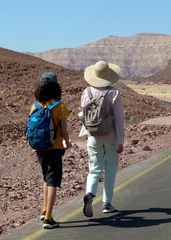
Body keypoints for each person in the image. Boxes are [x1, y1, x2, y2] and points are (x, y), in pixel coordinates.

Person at [79, 60, 124, 217]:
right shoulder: (114, 93)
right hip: (111, 137)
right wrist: (120, 141)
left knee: (94, 168)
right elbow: (119, 119)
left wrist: (87, 132)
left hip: (93, 136)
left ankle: (90, 193)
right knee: (110, 170)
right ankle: (107, 204)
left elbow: (83, 114)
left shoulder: (86, 92)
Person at [30, 72, 72, 229]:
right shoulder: (60, 107)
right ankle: (48, 219)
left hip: (39, 147)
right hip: (55, 147)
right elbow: (64, 130)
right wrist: (67, 142)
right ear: (56, 87)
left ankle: (44, 209)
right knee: (53, 180)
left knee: (45, 178)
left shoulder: (34, 106)